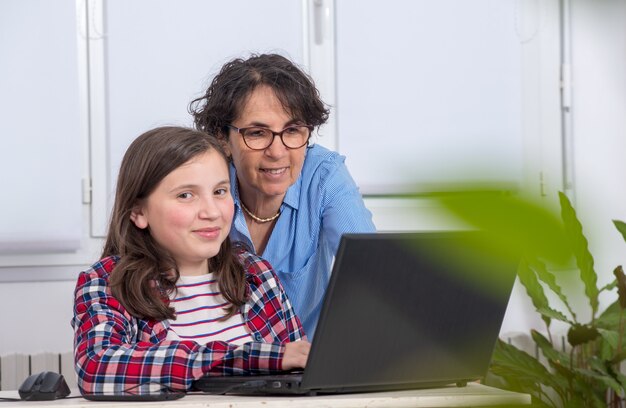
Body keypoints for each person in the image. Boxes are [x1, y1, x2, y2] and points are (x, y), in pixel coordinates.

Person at [72, 126, 308, 395]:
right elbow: (97, 366)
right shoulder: (108, 282)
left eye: (220, 192)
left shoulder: (256, 275)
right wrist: (251, 358)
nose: (211, 211)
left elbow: (299, 366)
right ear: (139, 211)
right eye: (186, 195)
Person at [190, 53, 376, 337]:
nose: (277, 152)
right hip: (222, 365)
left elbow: (373, 271)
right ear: (222, 137)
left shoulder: (324, 176)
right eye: (257, 133)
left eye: (292, 130)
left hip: (305, 366)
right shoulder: (200, 183)